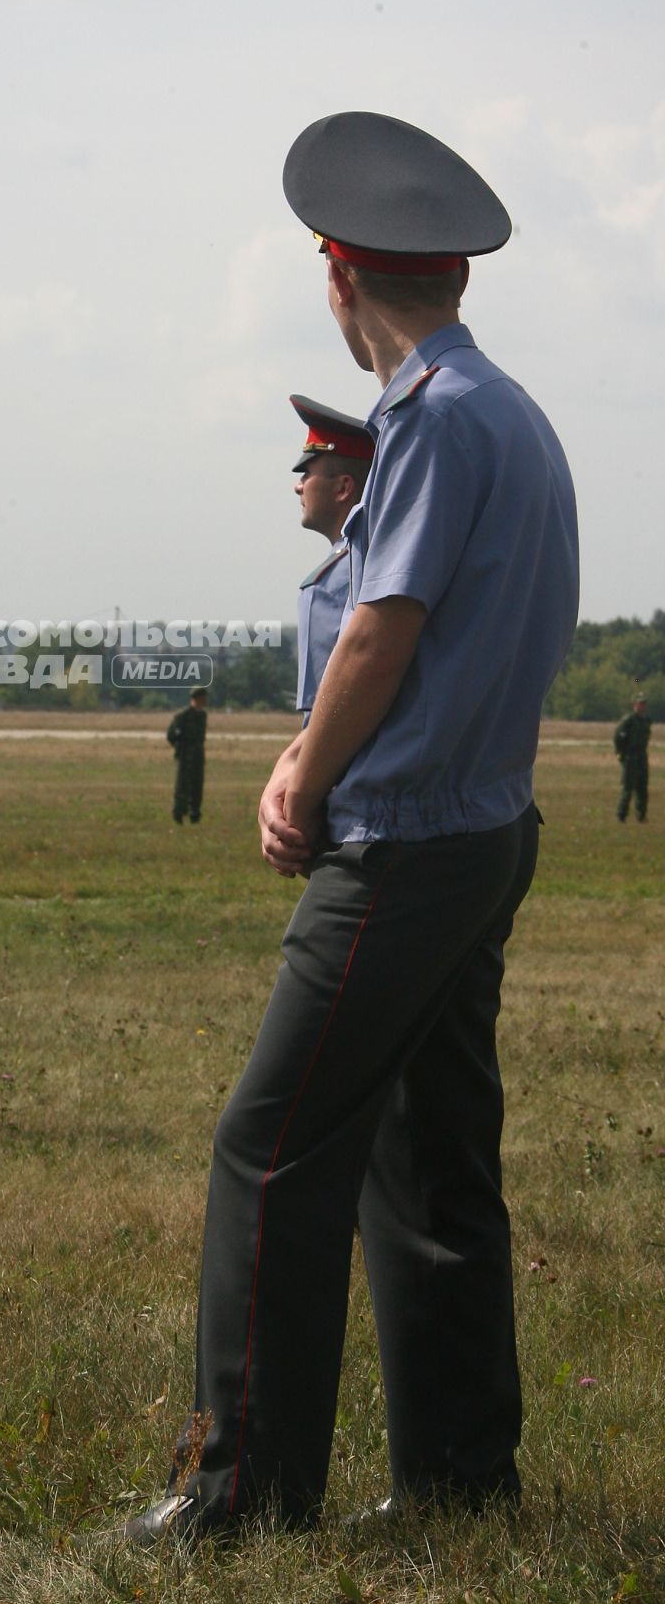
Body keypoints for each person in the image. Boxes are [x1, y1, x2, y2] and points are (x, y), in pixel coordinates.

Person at [118, 111, 578, 1545]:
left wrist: (296, 779)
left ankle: (238, 1496)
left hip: (403, 846)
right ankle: (456, 1476)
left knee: (272, 1148)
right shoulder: (512, 410)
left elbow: (381, 631)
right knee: (429, 1158)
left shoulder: (433, 422)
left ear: (340, 278)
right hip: (484, 829)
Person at [289, 396, 374, 722]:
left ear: (343, 488)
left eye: (307, 473)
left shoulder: (327, 587)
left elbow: (323, 718)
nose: (298, 487)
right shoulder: (395, 561)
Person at [167, 687, 208, 823]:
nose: (205, 700)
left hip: (198, 755)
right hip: (185, 755)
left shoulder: (203, 715)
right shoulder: (182, 716)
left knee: (197, 784)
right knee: (182, 785)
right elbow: (171, 735)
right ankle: (178, 812)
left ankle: (195, 813)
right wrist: (180, 747)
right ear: (196, 698)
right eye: (203, 697)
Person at [613, 692, 650, 822]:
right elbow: (618, 738)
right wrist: (620, 754)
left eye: (644, 704)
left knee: (642, 786)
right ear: (635, 704)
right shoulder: (628, 720)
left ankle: (641, 815)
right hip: (630, 756)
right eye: (640, 703)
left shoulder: (646, 720)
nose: (642, 706)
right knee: (627, 787)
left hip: (642, 756)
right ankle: (621, 815)